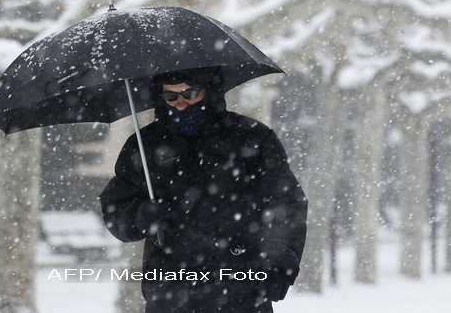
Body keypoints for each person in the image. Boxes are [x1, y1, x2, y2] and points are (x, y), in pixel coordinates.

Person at [99, 67, 307, 313]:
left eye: (190, 93)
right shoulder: (143, 147)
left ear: (210, 91)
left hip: (241, 288)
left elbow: (283, 203)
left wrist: (279, 260)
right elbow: (117, 206)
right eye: (170, 96)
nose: (180, 104)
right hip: (170, 289)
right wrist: (138, 216)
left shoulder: (252, 138)